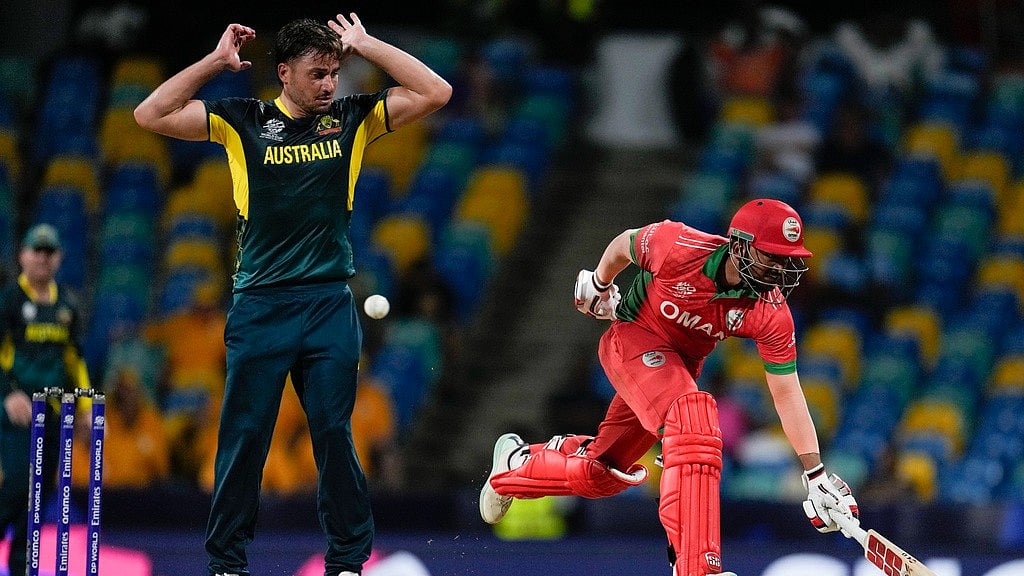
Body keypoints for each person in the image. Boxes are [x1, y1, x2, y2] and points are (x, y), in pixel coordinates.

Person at [134, 13, 451, 576]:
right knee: (244, 438)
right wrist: (213, 62)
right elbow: (149, 114)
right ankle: (227, 564)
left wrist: (369, 45)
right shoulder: (243, 121)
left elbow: (436, 91)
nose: (330, 84)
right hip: (261, 306)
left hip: (329, 302)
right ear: (284, 73)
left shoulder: (354, 118)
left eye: (334, 72)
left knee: (333, 433)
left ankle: (349, 562)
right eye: (317, 74)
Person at [480, 199, 860, 576]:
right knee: (694, 415)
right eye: (771, 257)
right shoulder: (679, 246)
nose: (780, 270)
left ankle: (515, 466)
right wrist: (600, 282)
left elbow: (787, 392)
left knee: (602, 474)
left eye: (786, 260)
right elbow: (623, 245)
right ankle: (697, 567)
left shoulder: (770, 312)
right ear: (740, 245)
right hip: (632, 341)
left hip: (674, 372)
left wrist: (816, 475)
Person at [0, 224, 91, 576]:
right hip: (18, 415)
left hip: (53, 414)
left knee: (39, 497)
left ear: (59, 258)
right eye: (36, 250)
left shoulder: (67, 304)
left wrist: (86, 409)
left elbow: (74, 360)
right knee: (19, 486)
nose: (42, 257)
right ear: (22, 255)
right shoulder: (9, 299)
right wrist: (8, 395)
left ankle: (21, 567)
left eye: (49, 251)